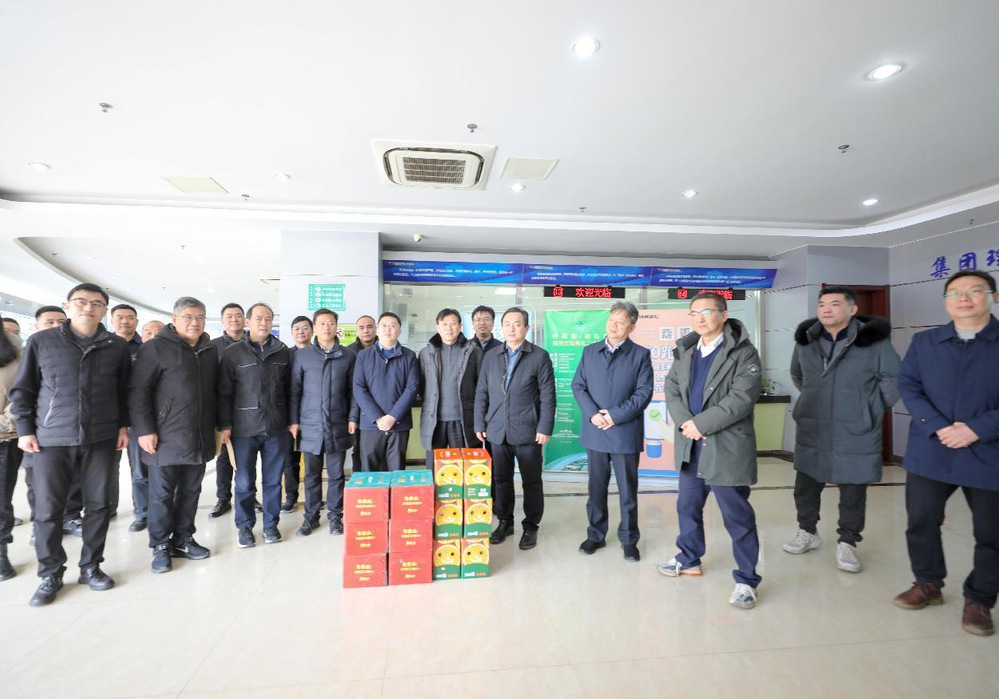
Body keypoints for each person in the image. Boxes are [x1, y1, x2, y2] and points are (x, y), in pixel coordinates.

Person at [11, 283, 131, 607]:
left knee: (99, 506)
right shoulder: (42, 341)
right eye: (81, 301)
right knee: (48, 510)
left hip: (101, 438)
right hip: (51, 438)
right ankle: (50, 573)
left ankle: (91, 567)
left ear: (104, 310)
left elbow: (124, 392)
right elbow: (23, 390)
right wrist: (26, 429)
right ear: (68, 306)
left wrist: (122, 425)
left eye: (96, 303)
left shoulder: (116, 346)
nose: (88, 308)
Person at [894, 270, 999, 637]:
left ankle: (980, 598)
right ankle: (927, 583)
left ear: (993, 296)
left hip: (989, 451)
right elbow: (909, 385)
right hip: (931, 448)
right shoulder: (926, 342)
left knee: (991, 532)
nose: (963, 298)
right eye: (954, 293)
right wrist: (938, 426)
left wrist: (977, 428)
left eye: (974, 291)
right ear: (946, 301)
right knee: (921, 521)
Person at [658, 291, 763, 610]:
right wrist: (686, 423)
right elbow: (671, 388)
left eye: (706, 312)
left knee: (737, 516)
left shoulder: (744, 353)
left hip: (725, 446)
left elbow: (741, 399)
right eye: (694, 313)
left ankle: (747, 580)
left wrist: (700, 424)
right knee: (687, 506)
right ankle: (689, 558)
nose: (699, 318)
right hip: (691, 445)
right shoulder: (686, 350)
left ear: (724, 314)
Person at [784, 286, 900, 573]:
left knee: (853, 488)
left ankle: (848, 541)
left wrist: (867, 409)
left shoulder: (874, 343)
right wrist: (816, 398)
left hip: (855, 427)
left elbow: (893, 380)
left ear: (852, 309)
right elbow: (798, 375)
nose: (826, 309)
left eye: (835, 304)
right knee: (806, 484)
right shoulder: (806, 342)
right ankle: (807, 531)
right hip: (814, 424)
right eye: (822, 304)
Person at [129, 297, 218, 574]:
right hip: (164, 435)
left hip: (199, 434)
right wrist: (145, 430)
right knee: (162, 494)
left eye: (200, 317)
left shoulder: (209, 349)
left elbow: (215, 391)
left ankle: (183, 538)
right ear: (175, 319)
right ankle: (160, 545)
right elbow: (138, 390)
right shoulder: (155, 347)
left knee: (191, 490)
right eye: (188, 316)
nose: (195, 322)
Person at [571, 301, 653, 562]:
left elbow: (643, 393)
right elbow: (578, 386)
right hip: (595, 430)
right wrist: (594, 414)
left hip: (624, 433)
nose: (614, 325)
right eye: (611, 320)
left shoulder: (640, 355)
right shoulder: (590, 352)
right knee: (596, 489)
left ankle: (629, 540)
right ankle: (595, 535)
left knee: (628, 492)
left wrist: (614, 416)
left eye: (621, 322)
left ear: (632, 327)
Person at [474, 307, 556, 550]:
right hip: (497, 430)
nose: (511, 328)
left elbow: (548, 396)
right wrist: (479, 423)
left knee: (531, 481)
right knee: (501, 479)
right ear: (502, 328)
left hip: (528, 431)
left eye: (517, 324)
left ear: (526, 328)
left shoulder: (539, 356)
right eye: (507, 324)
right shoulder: (491, 356)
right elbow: (481, 392)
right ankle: (505, 522)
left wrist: (544, 427)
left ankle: (531, 526)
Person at [218, 302, 291, 548]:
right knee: (244, 482)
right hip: (243, 429)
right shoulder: (233, 353)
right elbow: (224, 392)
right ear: (248, 322)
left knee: (273, 481)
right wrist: (225, 424)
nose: (264, 323)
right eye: (259, 318)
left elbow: (290, 391)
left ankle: (271, 525)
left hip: (276, 428)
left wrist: (291, 421)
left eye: (268, 319)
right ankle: (245, 527)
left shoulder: (282, 351)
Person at [289, 309, 356, 536]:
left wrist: (352, 417)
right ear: (314, 328)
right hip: (310, 424)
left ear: (336, 327)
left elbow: (353, 392)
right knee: (311, 475)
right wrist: (294, 421)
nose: (326, 327)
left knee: (336, 474)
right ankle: (311, 517)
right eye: (322, 323)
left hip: (338, 423)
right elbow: (295, 391)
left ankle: (336, 517)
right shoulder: (303, 356)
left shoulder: (348, 356)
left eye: (331, 323)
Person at [25, 307, 71, 539]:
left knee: (70, 482)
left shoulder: (71, 351)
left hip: (67, 430)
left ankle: (69, 517)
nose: (56, 326)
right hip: (37, 431)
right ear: (36, 326)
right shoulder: (31, 349)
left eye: (60, 322)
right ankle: (40, 527)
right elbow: (22, 393)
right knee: (39, 485)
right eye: (49, 322)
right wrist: (25, 429)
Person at [352, 312, 419, 471]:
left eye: (393, 326)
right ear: (377, 329)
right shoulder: (363, 356)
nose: (388, 329)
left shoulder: (409, 356)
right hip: (371, 423)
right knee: (370, 470)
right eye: (384, 325)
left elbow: (412, 388)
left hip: (399, 424)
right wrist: (378, 417)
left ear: (399, 331)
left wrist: (393, 416)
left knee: (396, 470)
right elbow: (359, 388)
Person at [418, 308, 483, 466]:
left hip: (462, 421)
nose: (449, 328)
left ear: (460, 326)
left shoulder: (473, 351)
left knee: (463, 468)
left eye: (453, 323)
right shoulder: (425, 353)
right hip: (434, 421)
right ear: (437, 327)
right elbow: (421, 385)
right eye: (444, 324)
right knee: (434, 469)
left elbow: (481, 387)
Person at [208, 302, 249, 518]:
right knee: (224, 457)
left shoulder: (253, 343)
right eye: (230, 316)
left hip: (248, 412)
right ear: (222, 320)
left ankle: (250, 496)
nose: (234, 319)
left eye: (238, 315)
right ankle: (223, 498)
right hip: (222, 411)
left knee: (248, 458)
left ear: (245, 320)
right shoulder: (212, 347)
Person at [109, 303, 148, 533]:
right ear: (111, 320)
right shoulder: (102, 345)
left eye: (130, 317)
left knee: (140, 470)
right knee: (107, 469)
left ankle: (143, 512)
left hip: (135, 418)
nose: (125, 321)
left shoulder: (145, 349)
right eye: (120, 317)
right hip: (107, 417)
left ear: (136, 321)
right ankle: (107, 508)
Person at [282, 315, 313, 513]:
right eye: (297, 328)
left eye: (305, 328)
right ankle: (291, 496)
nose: (301, 332)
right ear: (292, 332)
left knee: (312, 461)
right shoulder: (284, 355)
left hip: (312, 416)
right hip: (289, 416)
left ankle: (313, 499)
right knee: (290, 459)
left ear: (312, 331)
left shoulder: (318, 353)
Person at [1, 328, 22, 581]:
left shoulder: (14, 354)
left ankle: (1, 550)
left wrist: (4, 424)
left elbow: (21, 396)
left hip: (3, 439)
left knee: (0, 501)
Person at [348, 314, 376, 474]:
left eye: (369, 327)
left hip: (380, 409)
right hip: (357, 410)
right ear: (357, 330)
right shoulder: (349, 352)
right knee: (358, 448)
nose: (366, 330)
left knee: (378, 451)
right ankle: (359, 482)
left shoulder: (383, 348)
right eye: (361, 327)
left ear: (375, 329)